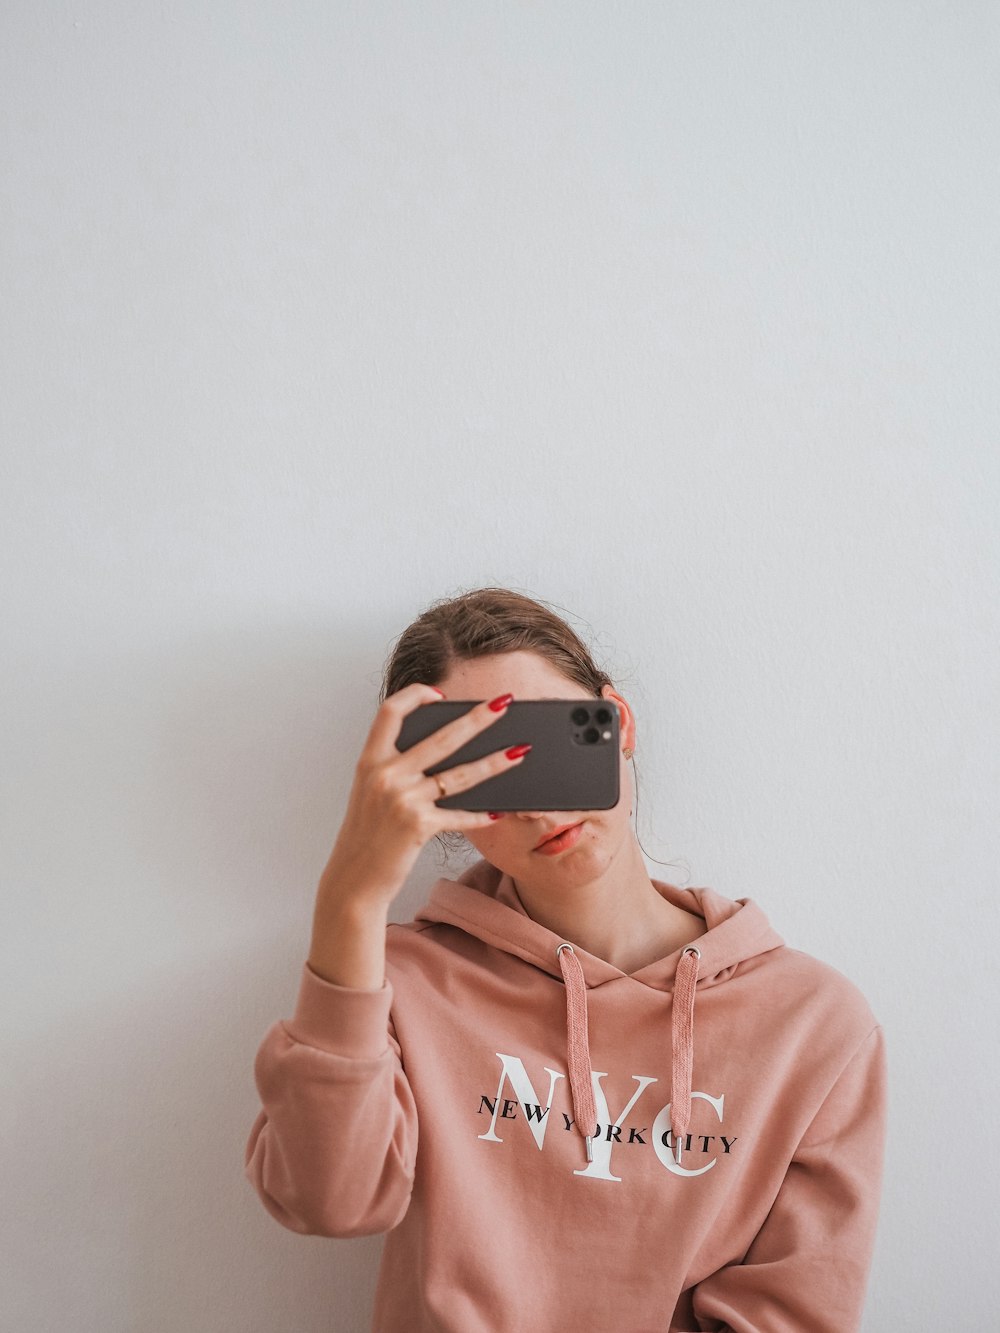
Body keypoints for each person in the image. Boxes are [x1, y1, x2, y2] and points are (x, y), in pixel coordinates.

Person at [244, 587, 887, 1332]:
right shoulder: (394, 984)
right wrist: (349, 900)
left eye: (550, 745)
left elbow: (792, 1314)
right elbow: (327, 1199)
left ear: (619, 723)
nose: (541, 812)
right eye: (489, 771)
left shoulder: (812, 1024)